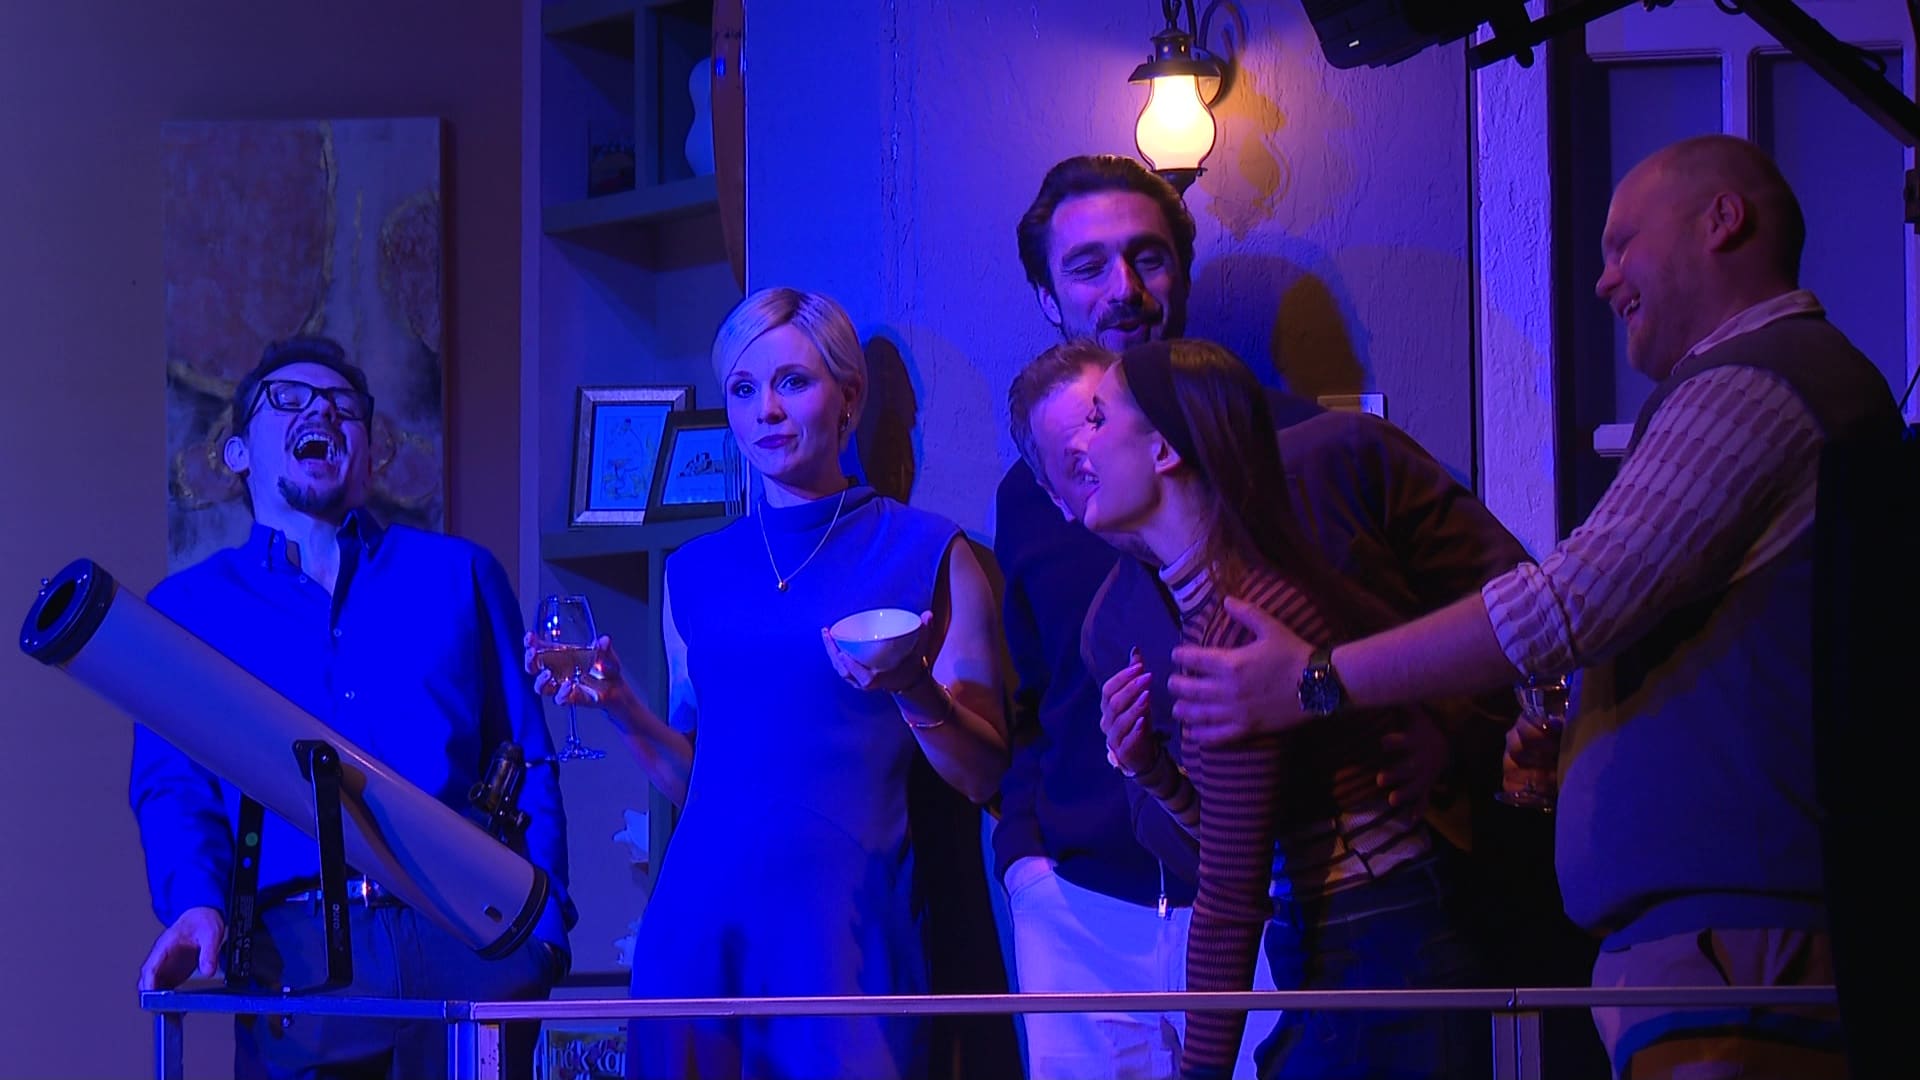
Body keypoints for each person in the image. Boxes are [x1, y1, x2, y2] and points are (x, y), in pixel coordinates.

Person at [1165, 135, 1905, 1079]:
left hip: (1738, 949)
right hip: (1714, 943)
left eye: (1623, 243)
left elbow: (1565, 604)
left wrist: (1316, 680)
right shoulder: (1766, 380)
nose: (1603, 280)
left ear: (1723, 220)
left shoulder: (1758, 377)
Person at [994, 154, 1559, 1079]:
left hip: (1345, 930)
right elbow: (1051, 720)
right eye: (1088, 265)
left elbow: (1528, 609)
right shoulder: (1050, 521)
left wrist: (1441, 733)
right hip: (1166, 908)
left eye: (1147, 256)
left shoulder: (1317, 469)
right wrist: (1061, 830)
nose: (1124, 287)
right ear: (1047, 295)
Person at [533, 287, 1009, 1080]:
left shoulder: (928, 551)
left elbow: (985, 772)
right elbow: (699, 780)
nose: (768, 411)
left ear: (848, 397)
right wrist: (619, 706)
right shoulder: (694, 571)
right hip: (698, 932)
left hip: (847, 934)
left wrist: (912, 687)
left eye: (793, 381)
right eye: (744, 389)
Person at [131, 335, 573, 1080]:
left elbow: (525, 753)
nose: (323, 414)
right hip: (295, 960)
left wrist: (545, 925)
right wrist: (196, 903)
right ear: (238, 453)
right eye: (290, 400)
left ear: (368, 456)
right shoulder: (188, 608)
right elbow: (175, 787)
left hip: (467, 943)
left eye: (343, 405)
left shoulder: (460, 574)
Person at [1080, 338, 1494, 1079]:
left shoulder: (1240, 629)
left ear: (1165, 450)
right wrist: (1152, 770)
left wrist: (1198, 1074)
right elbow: (1247, 836)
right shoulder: (1237, 601)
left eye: (1100, 418)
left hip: (1372, 957)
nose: (1083, 444)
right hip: (1363, 950)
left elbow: (1229, 902)